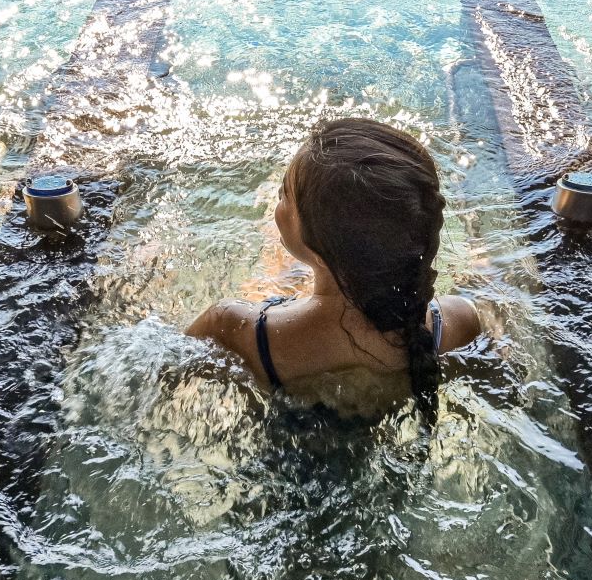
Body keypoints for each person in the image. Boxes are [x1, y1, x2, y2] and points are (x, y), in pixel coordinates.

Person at [188, 117, 481, 422]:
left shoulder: (233, 329)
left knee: (273, 286)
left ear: (314, 246)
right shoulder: (456, 324)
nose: (279, 200)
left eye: (284, 194)